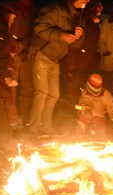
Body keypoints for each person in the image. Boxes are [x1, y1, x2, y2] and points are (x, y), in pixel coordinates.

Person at [28, 0, 87, 135]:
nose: (88, 1)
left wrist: (78, 37)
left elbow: (75, 45)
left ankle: (46, 129)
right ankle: (33, 129)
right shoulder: (55, 9)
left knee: (54, 95)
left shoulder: (78, 17)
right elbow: (39, 27)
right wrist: (61, 35)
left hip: (56, 60)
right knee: (42, 93)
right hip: (42, 55)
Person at [0, 0, 37, 130]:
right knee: (11, 91)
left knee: (27, 90)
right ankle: (13, 124)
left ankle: (23, 123)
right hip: (10, 55)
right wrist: (9, 49)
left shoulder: (32, 10)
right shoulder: (9, 6)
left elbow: (32, 33)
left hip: (24, 55)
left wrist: (20, 47)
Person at [62, 0, 103, 107]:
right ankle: (69, 112)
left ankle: (79, 113)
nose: (102, 8)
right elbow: (77, 41)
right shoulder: (82, 19)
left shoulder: (95, 22)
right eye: (99, 6)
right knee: (72, 90)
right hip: (77, 62)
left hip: (87, 62)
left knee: (81, 90)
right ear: (93, 7)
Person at [0, 4, 19, 144]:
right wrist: (6, 76)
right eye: (14, 16)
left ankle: (3, 136)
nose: (14, 19)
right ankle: (4, 139)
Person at [77, 73, 113, 139]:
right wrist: (86, 110)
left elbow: (111, 107)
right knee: (82, 121)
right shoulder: (85, 92)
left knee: (100, 127)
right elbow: (84, 101)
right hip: (87, 112)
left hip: (99, 114)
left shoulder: (106, 95)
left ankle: (100, 139)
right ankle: (79, 136)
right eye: (91, 92)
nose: (93, 95)